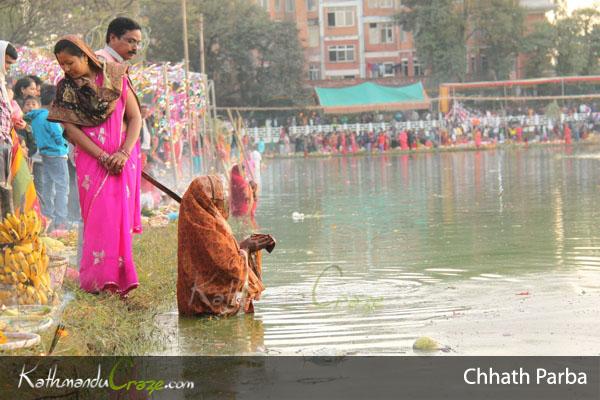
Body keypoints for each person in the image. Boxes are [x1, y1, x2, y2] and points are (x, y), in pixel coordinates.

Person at [48, 35, 142, 296]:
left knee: (119, 218)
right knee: (99, 219)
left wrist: (123, 153)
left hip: (123, 159)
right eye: (61, 65)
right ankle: (97, 282)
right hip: (92, 161)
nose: (66, 69)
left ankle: (120, 281)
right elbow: (72, 130)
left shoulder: (115, 75)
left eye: (70, 62)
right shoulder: (65, 89)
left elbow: (135, 119)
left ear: (86, 56)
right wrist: (102, 156)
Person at [177, 175, 275, 316]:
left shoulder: (193, 220)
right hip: (208, 308)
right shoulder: (208, 228)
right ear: (211, 200)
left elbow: (215, 260)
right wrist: (246, 249)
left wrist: (241, 247)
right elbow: (231, 270)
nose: (224, 200)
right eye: (220, 196)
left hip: (191, 303)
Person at [26, 86, 69, 230]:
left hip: (44, 154)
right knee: (62, 187)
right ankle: (61, 220)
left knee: (48, 186)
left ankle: (47, 216)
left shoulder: (36, 116)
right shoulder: (51, 116)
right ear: (53, 101)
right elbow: (58, 136)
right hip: (57, 154)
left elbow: (26, 121)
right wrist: (64, 145)